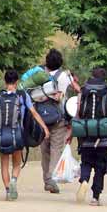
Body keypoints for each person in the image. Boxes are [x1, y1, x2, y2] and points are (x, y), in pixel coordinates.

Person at [0, 69, 50, 201]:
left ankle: (7, 190)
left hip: (2, 135)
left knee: (5, 164)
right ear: (17, 82)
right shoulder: (22, 95)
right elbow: (34, 113)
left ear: (5, 81)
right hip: (17, 134)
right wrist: (45, 128)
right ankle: (13, 181)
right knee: (17, 163)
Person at [70, 67, 107, 206]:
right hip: (102, 136)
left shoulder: (83, 91)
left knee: (86, 162)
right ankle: (95, 197)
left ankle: (84, 180)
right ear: (104, 79)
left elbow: (78, 112)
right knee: (100, 166)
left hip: (85, 134)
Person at [40, 49, 82, 194]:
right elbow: (78, 90)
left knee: (45, 150)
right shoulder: (64, 76)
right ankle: (51, 179)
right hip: (58, 117)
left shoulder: (39, 74)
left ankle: (46, 180)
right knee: (56, 149)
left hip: (41, 118)